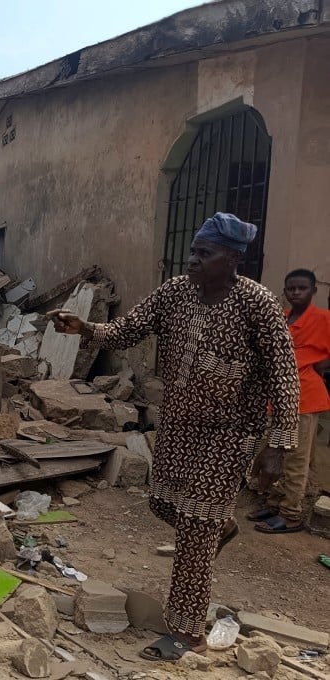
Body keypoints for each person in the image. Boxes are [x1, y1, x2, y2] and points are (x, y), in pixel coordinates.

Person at [47, 212, 299, 662]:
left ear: (234, 257)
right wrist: (85, 328)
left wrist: (278, 446)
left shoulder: (256, 303)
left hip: (230, 434)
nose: (194, 260)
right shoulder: (176, 293)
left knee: (193, 530)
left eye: (205, 253)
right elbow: (129, 328)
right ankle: (220, 524)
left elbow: (284, 377)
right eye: (193, 251)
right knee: (165, 504)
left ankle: (187, 631)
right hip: (179, 425)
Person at [248, 268, 330, 533]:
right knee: (278, 455)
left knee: (295, 457)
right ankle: (276, 502)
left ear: (313, 290)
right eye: (291, 288)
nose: (295, 292)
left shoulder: (322, 319)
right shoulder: (281, 318)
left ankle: (291, 513)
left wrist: (319, 366)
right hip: (279, 399)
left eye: (302, 288)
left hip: (305, 398)